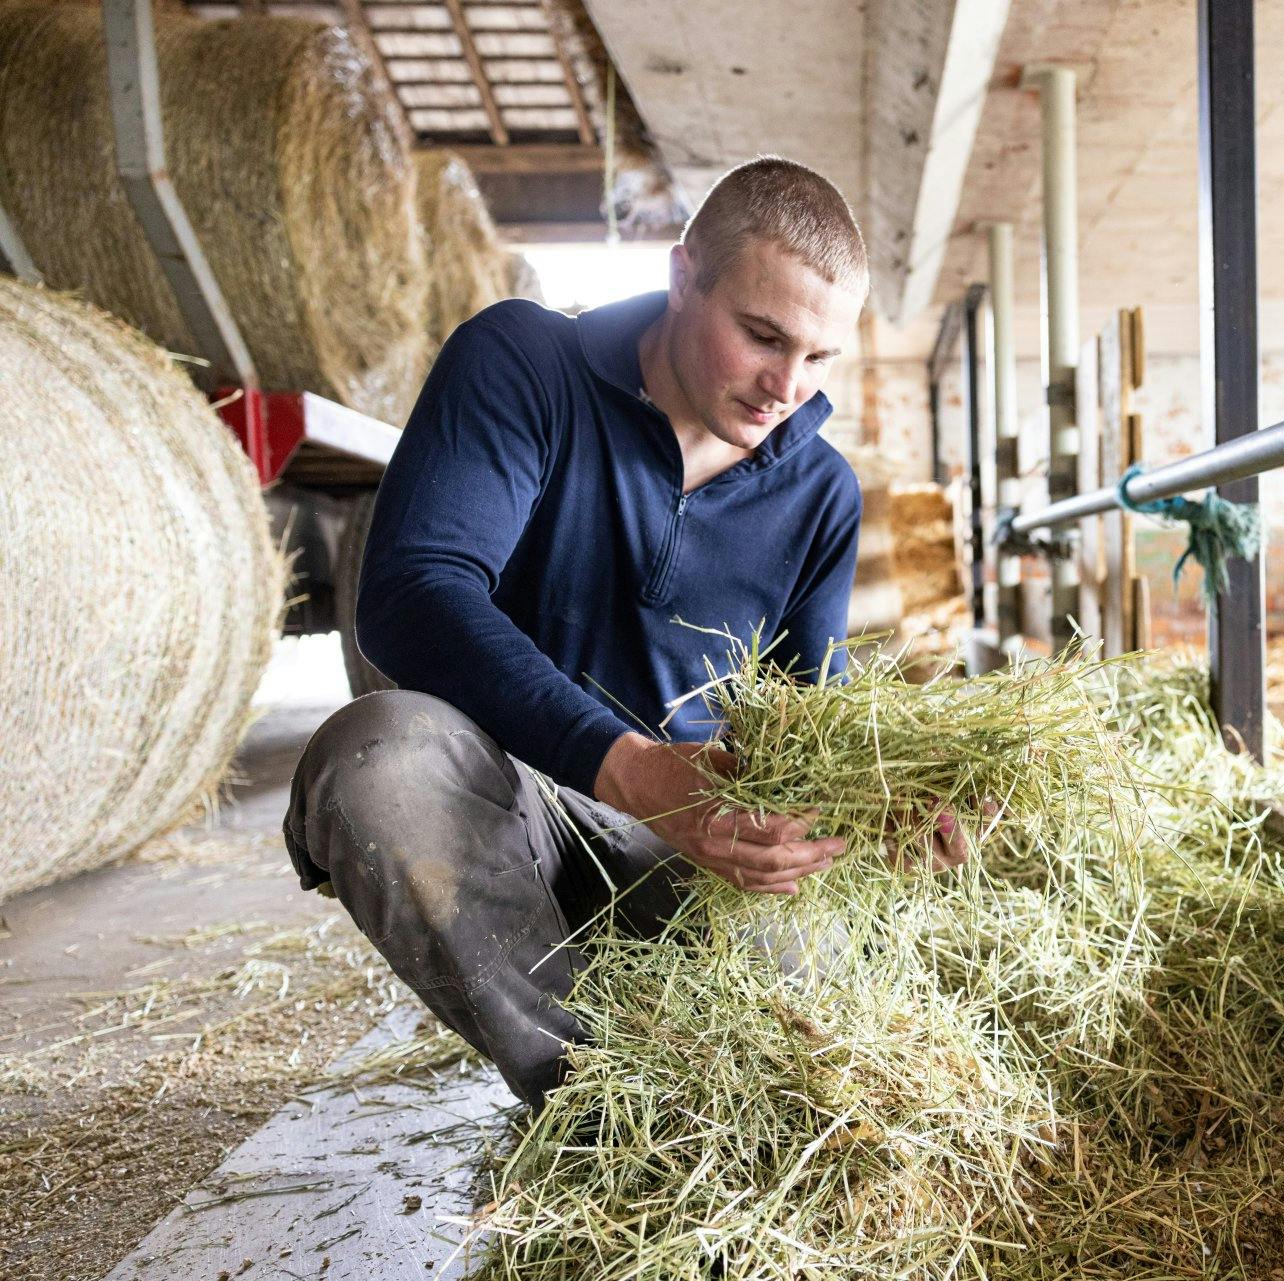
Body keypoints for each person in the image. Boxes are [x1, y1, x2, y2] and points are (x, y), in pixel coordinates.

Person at [282, 157, 962, 1107]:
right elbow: (411, 593)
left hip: (689, 848)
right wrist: (633, 768)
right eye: (762, 335)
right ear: (684, 276)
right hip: (503, 798)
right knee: (373, 759)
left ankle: (694, 1082)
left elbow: (810, 731)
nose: (785, 389)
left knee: (811, 966)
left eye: (818, 360)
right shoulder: (524, 364)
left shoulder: (821, 495)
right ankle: (599, 1106)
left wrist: (882, 812)